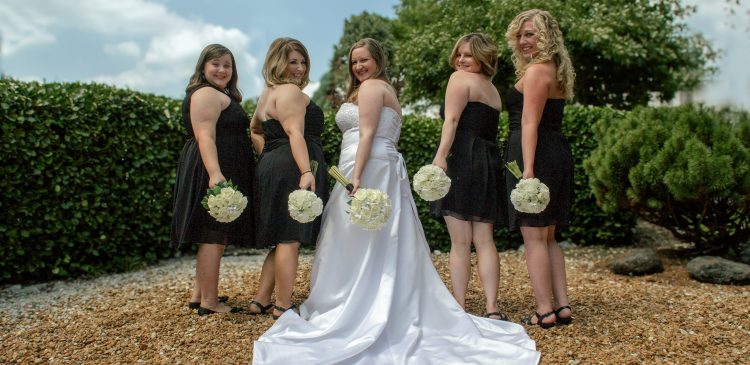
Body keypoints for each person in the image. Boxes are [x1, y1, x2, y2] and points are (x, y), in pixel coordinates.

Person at [252, 38, 539, 365]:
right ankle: (357, 296)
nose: (359, 66)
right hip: (367, 164)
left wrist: (356, 175)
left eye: (364, 60)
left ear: (378, 61)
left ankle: (362, 303)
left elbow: (368, 133)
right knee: (358, 237)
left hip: (370, 167)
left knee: (367, 236)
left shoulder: (374, 87)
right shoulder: (365, 89)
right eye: (354, 61)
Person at [503, 9, 576, 328]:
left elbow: (530, 123)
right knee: (548, 238)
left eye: (530, 34)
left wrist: (528, 171)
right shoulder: (554, 71)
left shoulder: (535, 73)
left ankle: (544, 310)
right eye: (520, 35)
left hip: (536, 155)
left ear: (546, 37)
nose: (523, 41)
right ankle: (562, 307)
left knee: (534, 238)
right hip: (556, 151)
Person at [247, 38, 328, 320]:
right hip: (293, 166)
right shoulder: (290, 92)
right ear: (277, 63)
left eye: (303, 62)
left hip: (275, 165)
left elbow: (255, 129)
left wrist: (268, 154)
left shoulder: (267, 93)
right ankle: (282, 305)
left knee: (281, 238)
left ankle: (260, 300)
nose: (300, 68)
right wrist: (306, 171)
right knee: (291, 238)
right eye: (293, 61)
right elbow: (295, 133)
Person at [171, 44, 255, 315]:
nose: (221, 70)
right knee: (213, 235)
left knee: (213, 234)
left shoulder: (219, 93)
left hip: (219, 165)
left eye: (227, 65)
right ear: (203, 67)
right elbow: (205, 135)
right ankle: (209, 301)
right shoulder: (206, 93)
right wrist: (215, 172)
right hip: (214, 167)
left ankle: (200, 294)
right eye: (215, 64)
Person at [430, 33, 506, 320]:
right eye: (459, 54)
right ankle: (492, 308)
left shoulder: (458, 79)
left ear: (483, 57)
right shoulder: (493, 89)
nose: (460, 60)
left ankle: (459, 306)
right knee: (485, 239)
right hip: (488, 161)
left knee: (460, 242)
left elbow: (451, 121)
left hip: (462, 158)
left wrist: (439, 157)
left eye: (468, 55)